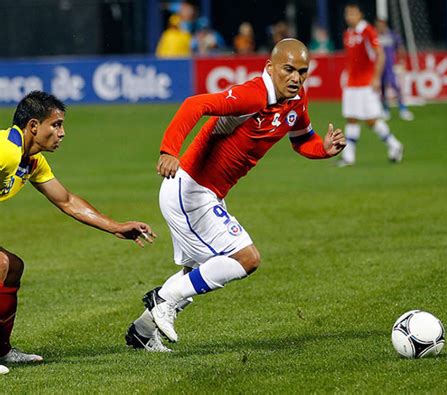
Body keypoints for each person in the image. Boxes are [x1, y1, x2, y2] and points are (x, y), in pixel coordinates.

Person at [125, 38, 346, 352]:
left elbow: (302, 139)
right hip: (189, 189)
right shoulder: (255, 94)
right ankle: (163, 299)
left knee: (201, 273)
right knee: (245, 258)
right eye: (288, 69)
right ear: (270, 67)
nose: (296, 78)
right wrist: (169, 150)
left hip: (208, 195)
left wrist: (323, 149)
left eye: (302, 71)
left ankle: (142, 331)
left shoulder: (295, 101)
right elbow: (194, 104)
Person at [0, 91, 156, 371]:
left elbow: (67, 201)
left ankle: (2, 350)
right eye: (56, 125)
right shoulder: (6, 151)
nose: (62, 133)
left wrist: (116, 227)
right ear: (34, 126)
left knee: (12, 268)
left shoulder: (30, 160)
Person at [339, 2, 404, 167]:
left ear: (360, 15)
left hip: (366, 84)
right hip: (352, 84)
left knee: (371, 120)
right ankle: (349, 157)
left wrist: (376, 78)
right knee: (351, 118)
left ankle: (394, 145)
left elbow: (380, 54)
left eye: (353, 13)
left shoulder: (367, 31)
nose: (349, 16)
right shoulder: (348, 33)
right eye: (347, 13)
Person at [375, 18, 414, 121]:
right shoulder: (375, 36)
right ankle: (385, 110)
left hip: (389, 67)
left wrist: (401, 62)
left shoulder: (392, 35)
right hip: (379, 67)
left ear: (385, 25)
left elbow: (400, 48)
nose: (379, 27)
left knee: (395, 87)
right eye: (378, 25)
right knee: (382, 89)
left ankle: (403, 109)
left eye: (381, 25)